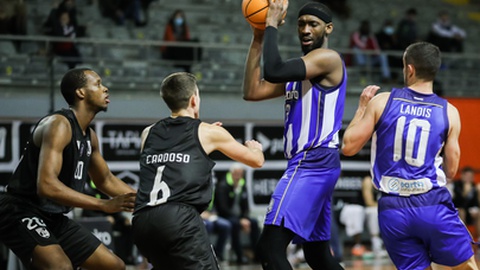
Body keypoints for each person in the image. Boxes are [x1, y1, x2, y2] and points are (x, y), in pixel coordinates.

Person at [342, 41, 478, 270]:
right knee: (467, 267)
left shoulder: (382, 101)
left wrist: (361, 108)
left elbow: (348, 146)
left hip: (392, 208)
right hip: (431, 203)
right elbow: (452, 170)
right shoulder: (449, 112)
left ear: (410, 69)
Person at [242, 1, 347, 269]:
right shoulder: (300, 71)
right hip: (316, 163)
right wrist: (258, 39)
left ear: (329, 28)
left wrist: (271, 24)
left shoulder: (328, 59)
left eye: (313, 24)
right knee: (317, 254)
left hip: (312, 161)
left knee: (269, 248)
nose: (306, 29)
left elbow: (273, 70)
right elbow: (252, 91)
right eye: (301, 24)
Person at [0, 68, 137, 269]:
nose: (105, 88)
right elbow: (46, 186)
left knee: (113, 265)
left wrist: (148, 201)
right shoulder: (59, 124)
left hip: (53, 217)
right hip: (20, 210)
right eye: (98, 84)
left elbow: (105, 180)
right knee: (60, 266)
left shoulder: (89, 136)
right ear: (80, 92)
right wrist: (103, 205)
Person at [132, 72, 265, 270]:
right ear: (194, 99)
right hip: (178, 220)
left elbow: (171, 151)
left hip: (142, 220)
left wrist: (203, 137)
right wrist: (255, 148)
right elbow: (256, 161)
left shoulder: (148, 132)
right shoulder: (209, 133)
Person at [215, 163, 260, 265]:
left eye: (241, 174)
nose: (239, 176)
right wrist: (240, 220)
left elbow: (245, 206)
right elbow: (223, 208)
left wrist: (244, 218)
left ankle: (257, 255)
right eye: (237, 173)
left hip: (239, 216)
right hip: (226, 216)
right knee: (234, 224)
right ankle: (240, 256)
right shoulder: (223, 185)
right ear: (231, 173)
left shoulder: (242, 184)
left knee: (254, 223)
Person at [452, 166, 480, 240]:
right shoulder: (455, 185)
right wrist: (465, 192)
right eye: (466, 176)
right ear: (462, 176)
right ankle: (463, 239)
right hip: (457, 213)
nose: (468, 178)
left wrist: (476, 209)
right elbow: (457, 202)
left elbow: (476, 203)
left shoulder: (475, 187)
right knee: (462, 212)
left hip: (471, 214)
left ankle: (479, 240)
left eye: (470, 176)